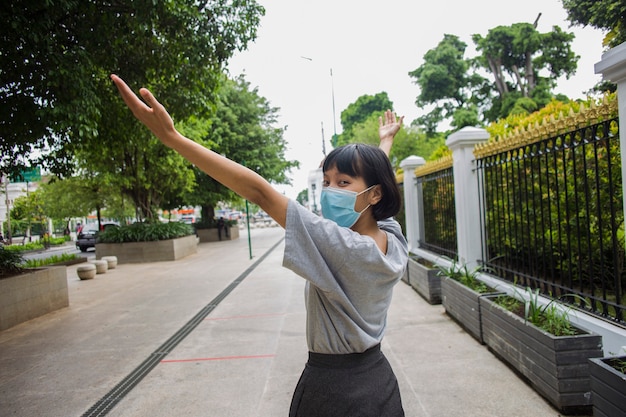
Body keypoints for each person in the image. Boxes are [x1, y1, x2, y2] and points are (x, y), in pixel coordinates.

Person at [111, 74, 408, 417]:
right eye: (326, 181)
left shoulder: (341, 247)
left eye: (343, 183)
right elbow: (375, 191)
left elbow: (259, 193)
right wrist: (384, 144)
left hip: (335, 391)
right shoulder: (390, 237)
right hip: (378, 382)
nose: (329, 191)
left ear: (373, 193)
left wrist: (172, 137)